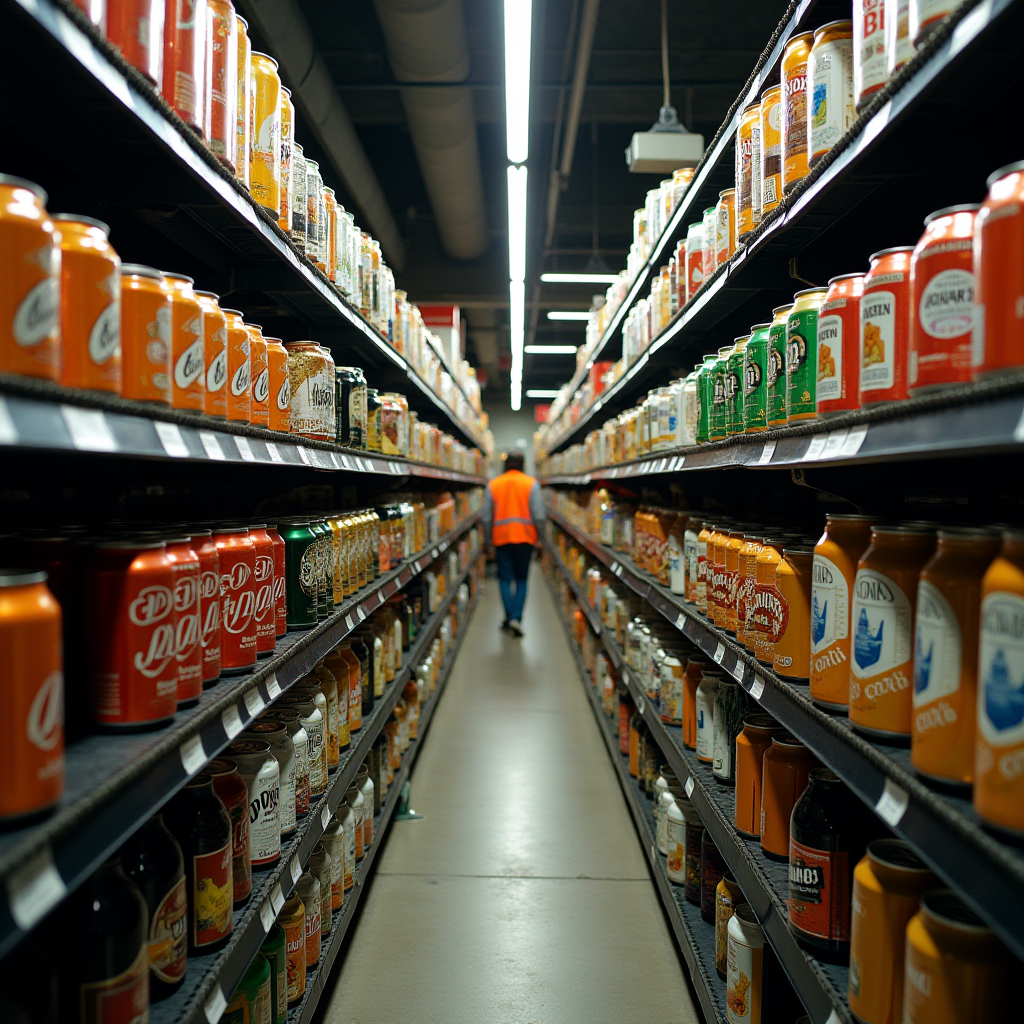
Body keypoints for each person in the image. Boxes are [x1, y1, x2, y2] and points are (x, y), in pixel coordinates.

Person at [483, 450, 545, 637]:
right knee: (522, 579)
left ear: (505, 465)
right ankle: (516, 618)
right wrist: (542, 539)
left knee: (504, 579)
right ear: (523, 465)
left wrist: (487, 542)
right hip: (525, 538)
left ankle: (509, 616)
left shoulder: (493, 485)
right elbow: (539, 515)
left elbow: (486, 518)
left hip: (501, 538)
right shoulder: (531, 484)